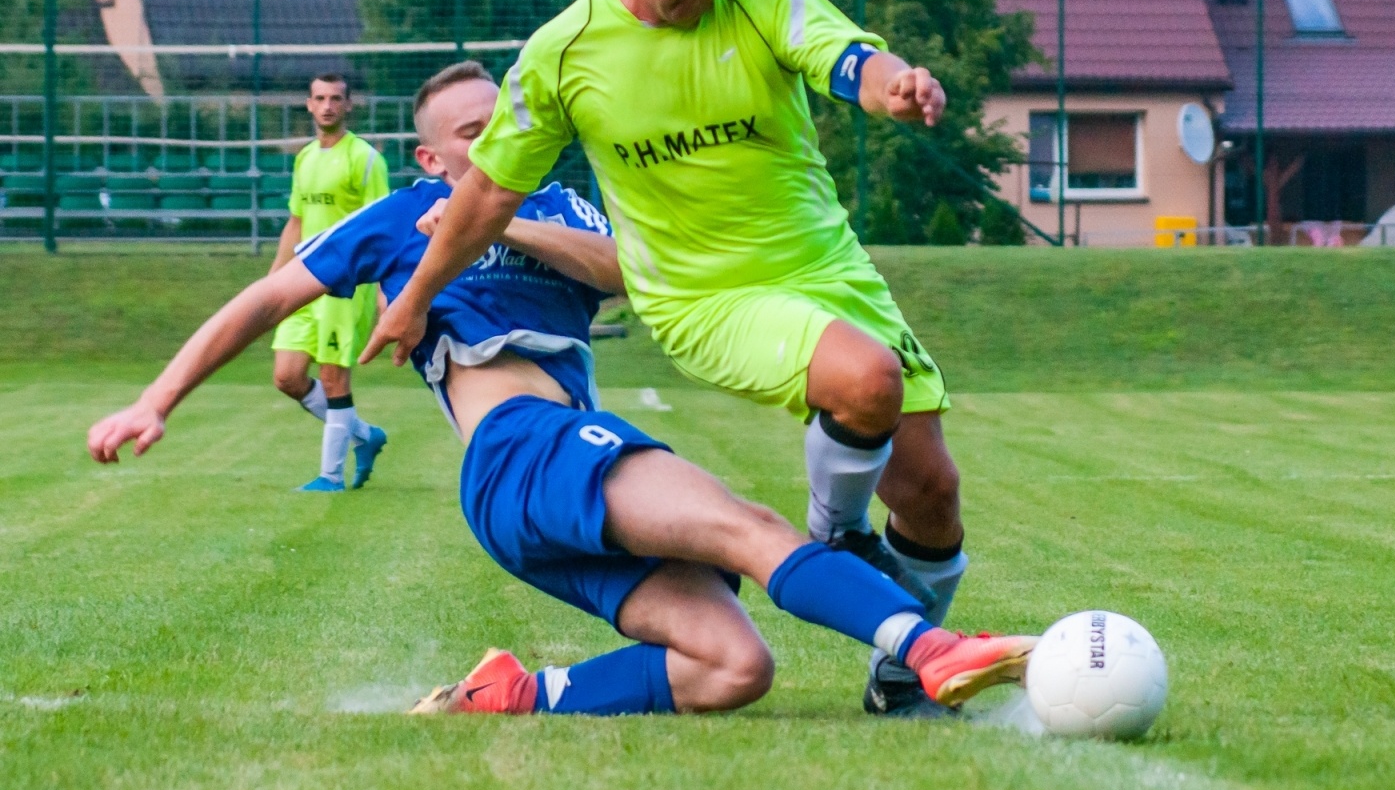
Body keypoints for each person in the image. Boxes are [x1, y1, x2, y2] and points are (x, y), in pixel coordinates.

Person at [85, 62, 1037, 719]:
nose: (500, 134)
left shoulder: (562, 204)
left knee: (734, 666)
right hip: (518, 450)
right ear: (430, 159)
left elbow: (624, 269)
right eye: (473, 131)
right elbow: (265, 298)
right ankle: (926, 652)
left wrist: (496, 223)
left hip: (545, 476)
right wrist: (154, 401)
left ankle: (514, 694)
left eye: (507, 117)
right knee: (748, 525)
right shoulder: (400, 213)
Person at [362, 0, 970, 716]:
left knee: (932, 493)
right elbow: (488, 192)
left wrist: (896, 87)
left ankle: (899, 673)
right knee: (864, 378)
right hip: (701, 295)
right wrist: (417, 297)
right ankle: (835, 541)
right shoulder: (565, 51)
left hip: (827, 269)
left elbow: (849, 60)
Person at [269, 72, 390, 492]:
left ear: (348, 105)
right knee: (287, 376)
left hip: (346, 285)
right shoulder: (304, 158)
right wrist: (272, 282)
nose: (327, 106)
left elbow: (382, 228)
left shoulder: (366, 159)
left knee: (335, 377)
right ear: (308, 104)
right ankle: (364, 435)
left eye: (336, 98)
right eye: (319, 97)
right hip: (303, 282)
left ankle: (330, 476)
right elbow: (296, 221)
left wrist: (383, 295)